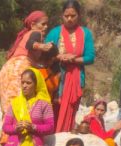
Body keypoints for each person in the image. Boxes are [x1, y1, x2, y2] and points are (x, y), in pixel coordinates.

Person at [45, 0, 96, 133]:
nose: (69, 19)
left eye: (73, 16)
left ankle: (64, 138)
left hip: (75, 78)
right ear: (62, 15)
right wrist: (58, 57)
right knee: (52, 109)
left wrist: (73, 59)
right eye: (66, 16)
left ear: (78, 15)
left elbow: (90, 57)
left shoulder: (85, 33)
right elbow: (44, 54)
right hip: (55, 78)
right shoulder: (55, 32)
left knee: (70, 111)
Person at [2, 68, 55, 146]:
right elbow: (5, 127)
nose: (24, 86)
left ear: (36, 85)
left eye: (28, 83)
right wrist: (16, 128)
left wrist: (34, 127)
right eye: (22, 82)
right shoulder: (15, 103)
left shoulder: (44, 104)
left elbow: (50, 127)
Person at [0, 12, 53, 114]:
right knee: (18, 106)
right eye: (43, 24)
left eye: (47, 24)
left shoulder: (25, 35)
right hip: (18, 70)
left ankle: (7, 129)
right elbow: (30, 44)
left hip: (7, 70)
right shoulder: (36, 33)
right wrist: (41, 46)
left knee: (8, 109)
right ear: (32, 25)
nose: (46, 27)